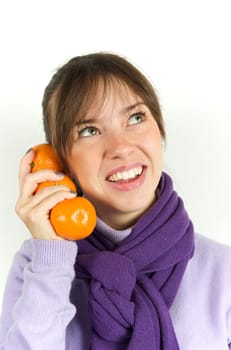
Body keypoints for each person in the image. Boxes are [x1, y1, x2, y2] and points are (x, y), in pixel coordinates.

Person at [0, 52, 231, 350]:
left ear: (159, 130)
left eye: (135, 117)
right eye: (89, 131)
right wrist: (51, 256)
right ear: (61, 163)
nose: (120, 148)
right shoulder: (36, 266)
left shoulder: (222, 271)